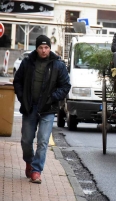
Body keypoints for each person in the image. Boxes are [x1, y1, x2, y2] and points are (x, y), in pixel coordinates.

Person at [13, 35, 71, 183]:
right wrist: (22, 98)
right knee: (26, 141)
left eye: (46, 47)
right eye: (40, 47)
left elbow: (65, 86)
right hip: (30, 107)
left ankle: (36, 171)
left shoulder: (58, 65)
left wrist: (52, 97)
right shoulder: (27, 63)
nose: (44, 50)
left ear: (50, 48)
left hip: (48, 109)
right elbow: (17, 81)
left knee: (43, 141)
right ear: (36, 48)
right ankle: (29, 161)